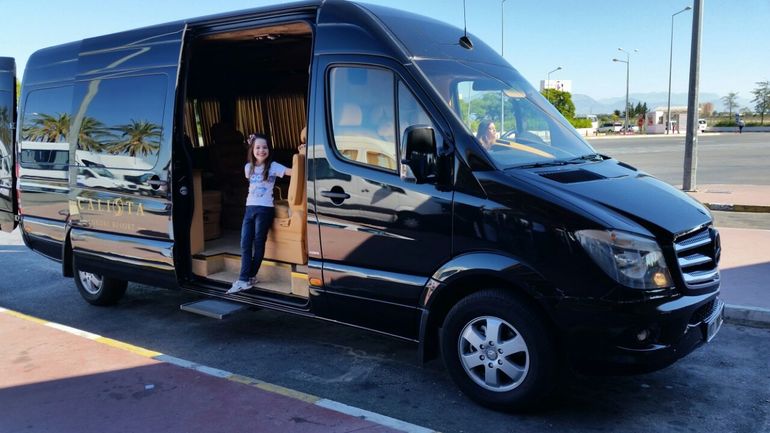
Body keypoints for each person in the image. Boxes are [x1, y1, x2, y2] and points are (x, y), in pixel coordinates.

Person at [227, 133, 294, 294]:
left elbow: (293, 171)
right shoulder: (248, 168)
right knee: (245, 243)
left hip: (265, 209)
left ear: (269, 150)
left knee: (258, 242)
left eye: (265, 147)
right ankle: (247, 278)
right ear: (252, 149)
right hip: (249, 208)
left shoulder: (273, 166)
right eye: (257, 147)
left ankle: (245, 278)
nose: (261, 150)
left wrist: (303, 155)